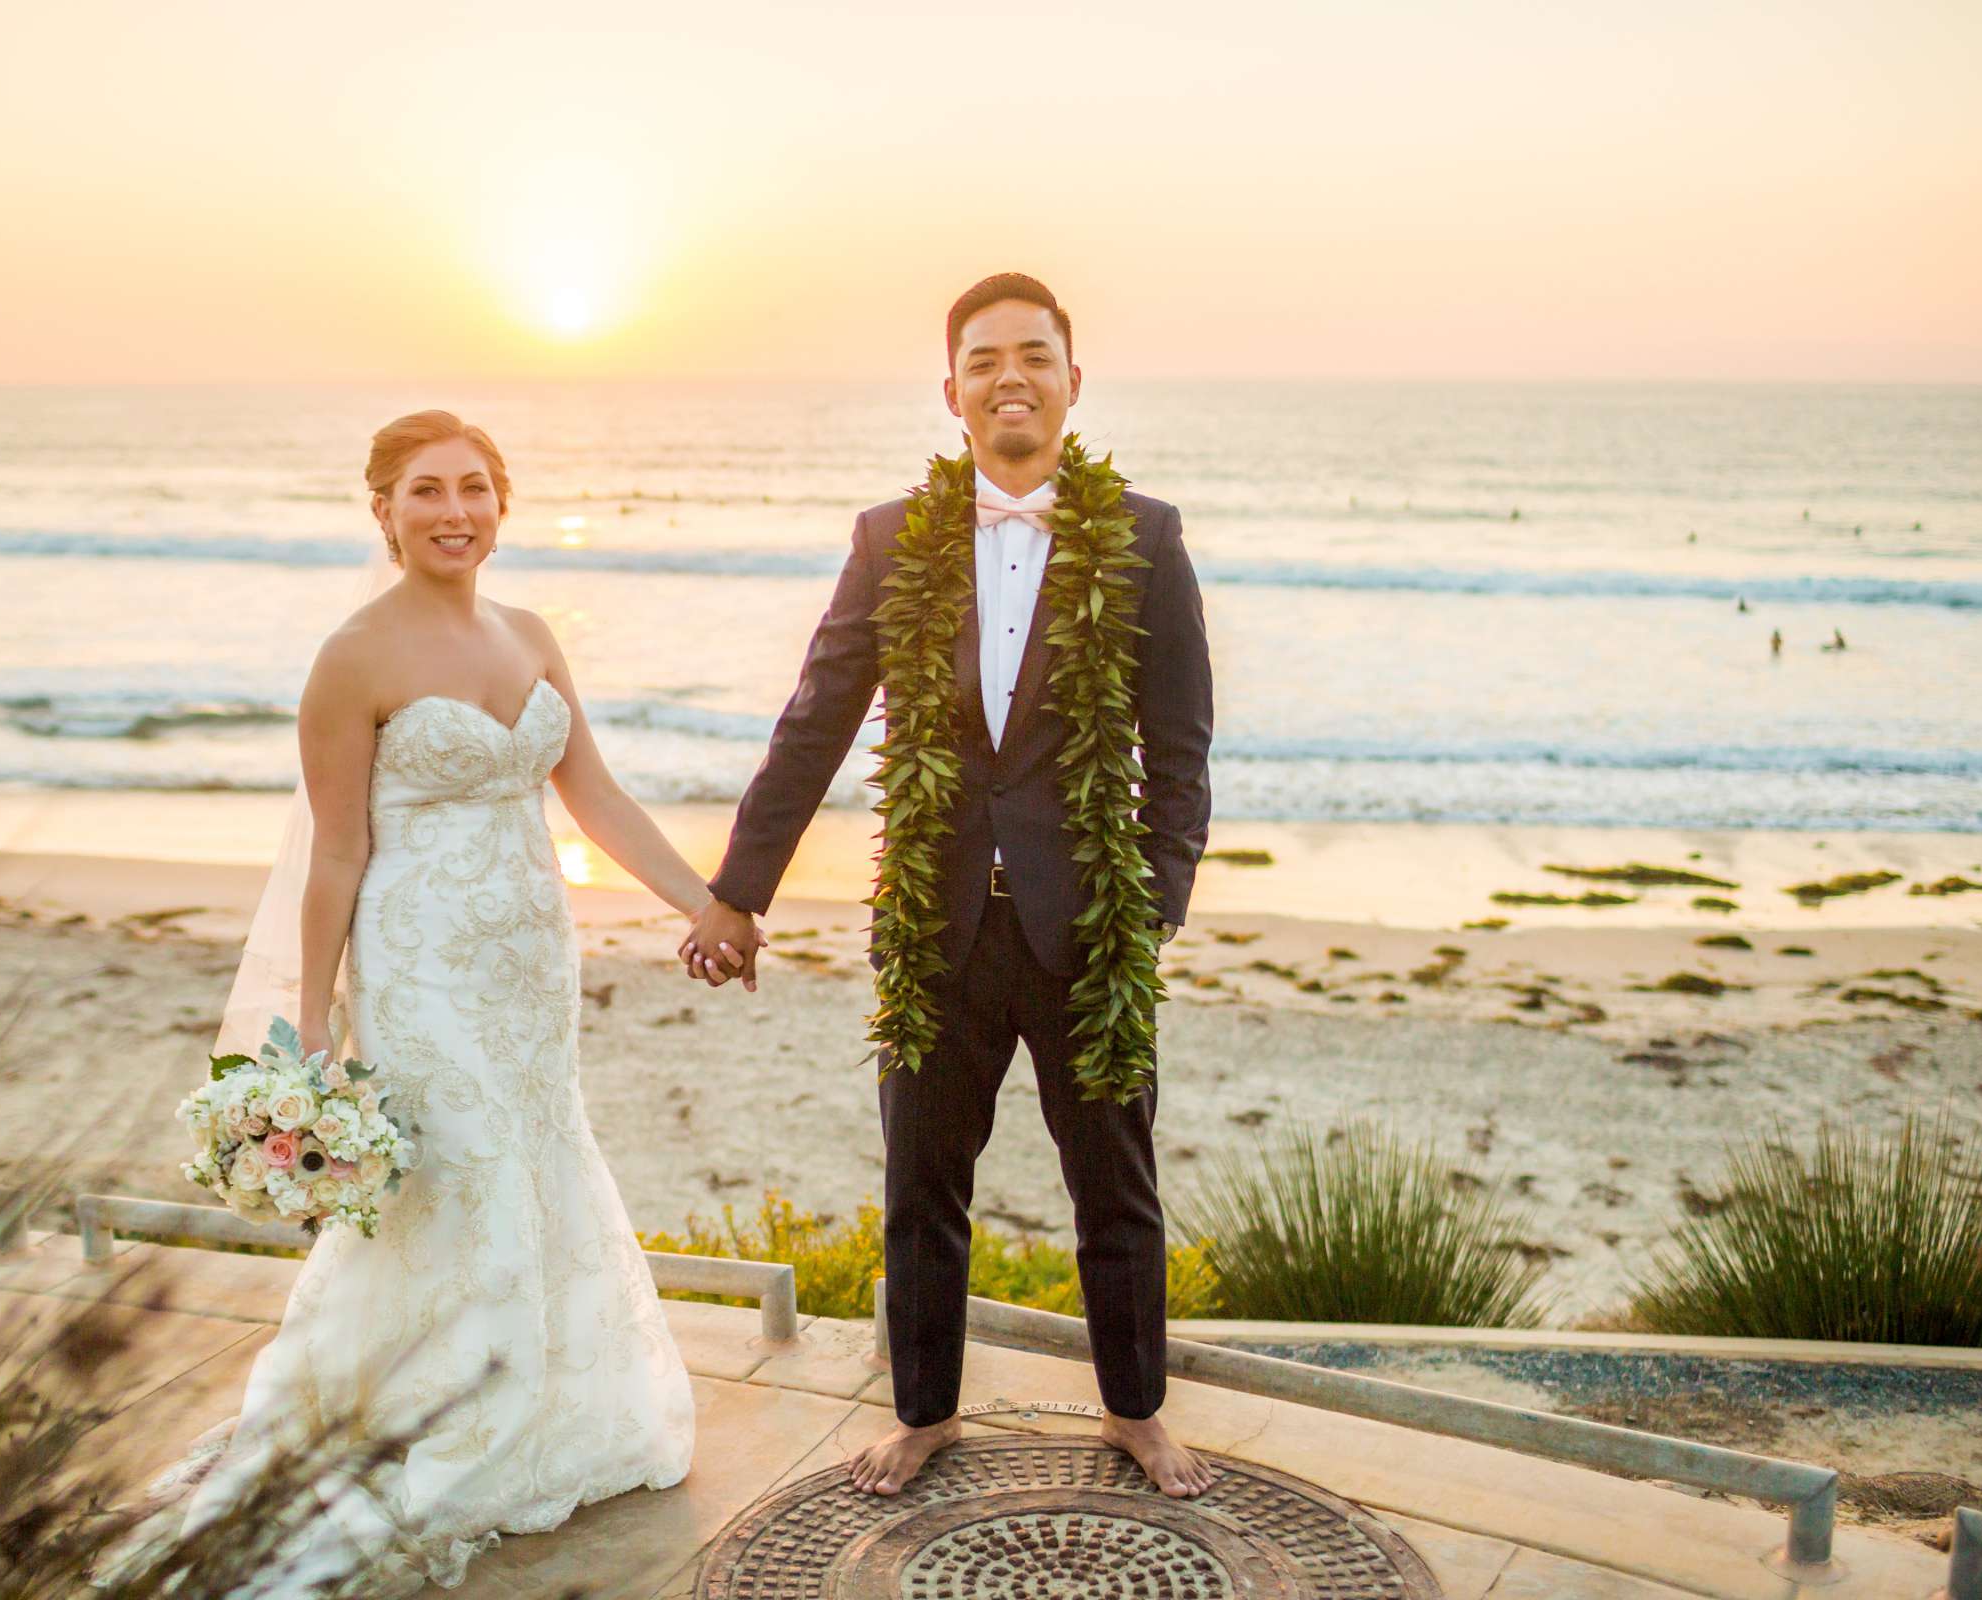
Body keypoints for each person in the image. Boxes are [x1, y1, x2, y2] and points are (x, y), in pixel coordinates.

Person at [681, 274, 1216, 1498]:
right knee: (922, 1181)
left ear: (1074, 382)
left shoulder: (1145, 535)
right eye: (985, 360)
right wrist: (737, 892)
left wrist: (1156, 907)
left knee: (1116, 1185)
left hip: (1091, 934)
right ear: (953, 390)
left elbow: (1179, 748)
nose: (1010, 377)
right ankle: (922, 1413)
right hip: (934, 926)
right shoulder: (892, 538)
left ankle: (1135, 1409)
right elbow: (814, 721)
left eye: (1036, 355)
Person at [148, 410, 701, 1594]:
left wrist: (701, 904)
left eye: (474, 488)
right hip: (420, 964)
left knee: (543, 1152)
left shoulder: (533, 632)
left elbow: (594, 796)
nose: (454, 511)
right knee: (464, 1172)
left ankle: (550, 1398)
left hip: (532, 963)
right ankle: (441, 1416)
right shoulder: (353, 657)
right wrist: (309, 1020)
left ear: (503, 501)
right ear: (384, 513)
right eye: (425, 492)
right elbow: (334, 854)